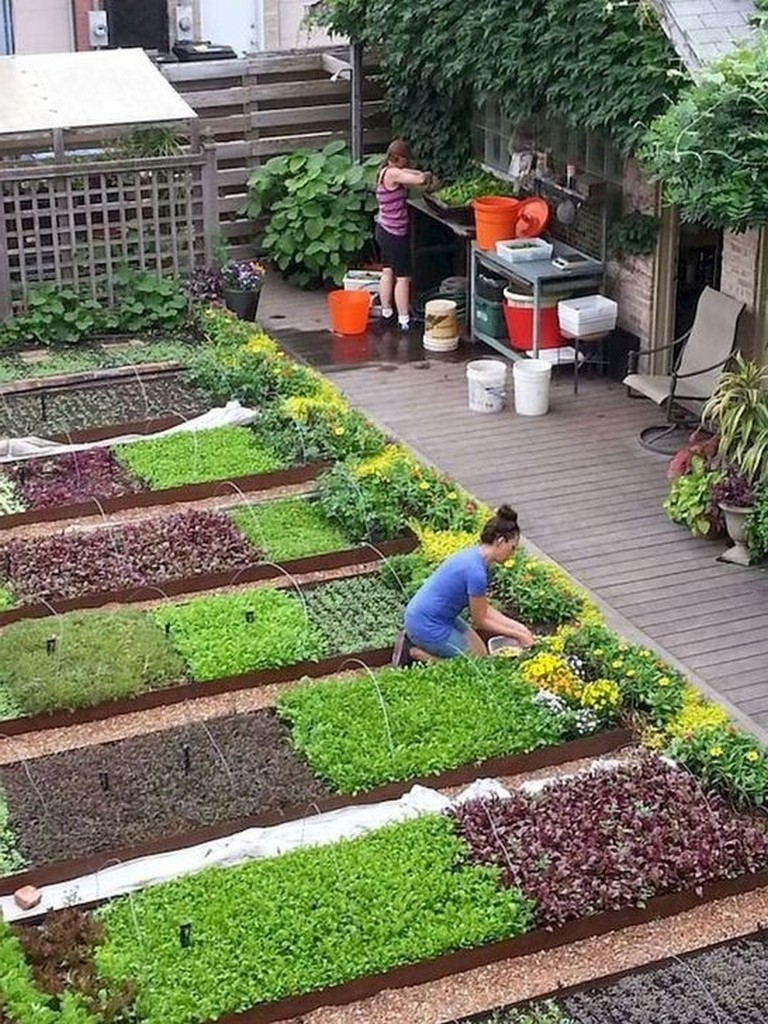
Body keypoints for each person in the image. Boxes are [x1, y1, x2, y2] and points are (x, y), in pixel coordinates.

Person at [393, 505, 535, 664]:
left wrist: (519, 628)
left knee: (481, 653)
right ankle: (415, 652)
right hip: (425, 624)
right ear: (501, 542)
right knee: (474, 664)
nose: (513, 553)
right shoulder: (476, 572)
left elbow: (484, 608)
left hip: (439, 617)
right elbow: (480, 620)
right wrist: (517, 636)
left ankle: (422, 647)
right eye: (512, 547)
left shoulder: (477, 559)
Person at [375, 138, 436, 332]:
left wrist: (417, 172)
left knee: (387, 271)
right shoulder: (393, 174)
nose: (407, 163)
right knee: (403, 277)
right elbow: (418, 180)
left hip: (383, 229)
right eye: (405, 159)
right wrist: (427, 176)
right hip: (394, 234)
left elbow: (409, 173)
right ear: (397, 158)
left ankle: (387, 312)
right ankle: (404, 320)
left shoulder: (385, 170)